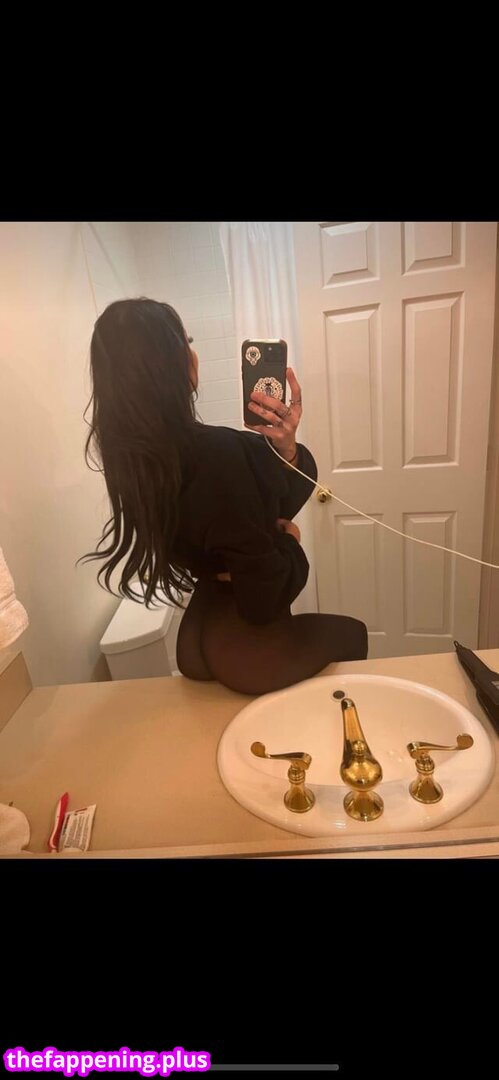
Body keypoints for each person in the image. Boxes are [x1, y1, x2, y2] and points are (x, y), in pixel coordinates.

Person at [81, 298, 368, 696]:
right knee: (355, 634)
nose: (193, 353)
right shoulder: (218, 453)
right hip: (247, 646)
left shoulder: (135, 460)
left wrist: (285, 449)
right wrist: (290, 542)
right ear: (170, 364)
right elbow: (265, 597)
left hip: (203, 628)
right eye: (186, 342)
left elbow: (260, 508)